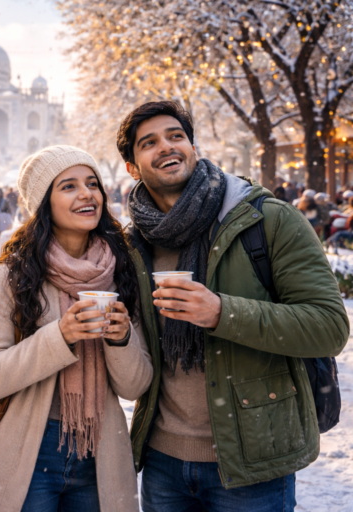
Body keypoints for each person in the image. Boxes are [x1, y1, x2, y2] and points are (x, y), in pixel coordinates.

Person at [116, 101, 348, 511]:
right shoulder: (135, 243)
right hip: (163, 463)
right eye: (149, 143)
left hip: (252, 464)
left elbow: (329, 325)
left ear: (193, 146)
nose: (167, 147)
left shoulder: (267, 220)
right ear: (133, 167)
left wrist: (222, 313)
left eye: (176, 136)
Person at [0, 145, 153, 512]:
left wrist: (121, 339)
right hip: (26, 452)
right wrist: (60, 336)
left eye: (92, 183)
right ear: (43, 203)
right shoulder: (13, 274)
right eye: (68, 186)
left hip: (100, 453)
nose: (86, 194)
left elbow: (135, 386)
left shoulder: (120, 271)